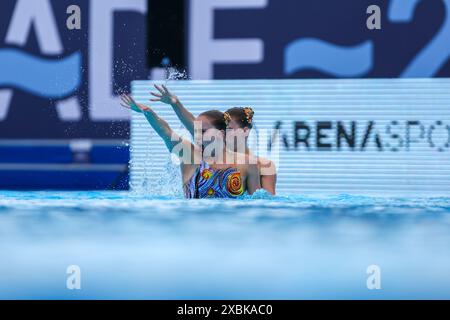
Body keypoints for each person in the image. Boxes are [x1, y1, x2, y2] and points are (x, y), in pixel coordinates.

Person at [120, 94, 261, 198]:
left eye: (203, 131)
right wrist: (148, 112)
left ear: (221, 133)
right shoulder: (190, 156)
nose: (197, 135)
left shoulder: (248, 164)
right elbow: (166, 132)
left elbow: (257, 204)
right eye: (197, 130)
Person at [149, 84, 277, 194]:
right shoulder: (205, 151)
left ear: (245, 132)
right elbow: (192, 126)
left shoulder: (263, 165)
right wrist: (175, 104)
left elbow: (265, 204)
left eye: (229, 129)